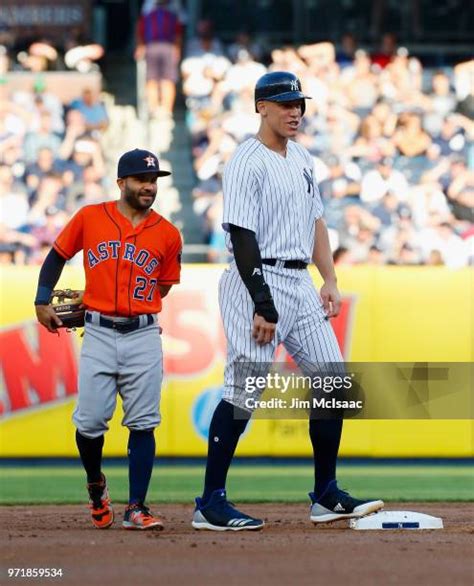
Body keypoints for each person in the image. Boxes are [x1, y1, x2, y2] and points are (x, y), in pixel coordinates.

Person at [192, 72, 384, 531]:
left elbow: (317, 221)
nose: (294, 110)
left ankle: (325, 494)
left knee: (333, 383)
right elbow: (240, 233)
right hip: (257, 279)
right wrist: (262, 301)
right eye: (283, 102)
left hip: (299, 279)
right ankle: (210, 502)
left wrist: (330, 278)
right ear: (261, 107)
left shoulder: (301, 157)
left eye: (298, 102)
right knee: (245, 391)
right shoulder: (246, 159)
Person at [34, 149, 182, 530]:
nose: (149, 186)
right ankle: (96, 484)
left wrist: (132, 303)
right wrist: (41, 299)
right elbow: (56, 256)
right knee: (89, 423)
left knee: (144, 422)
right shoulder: (90, 217)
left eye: (153, 180)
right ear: (121, 183)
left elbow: (161, 288)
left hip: (144, 334)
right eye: (140, 180)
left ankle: (137, 507)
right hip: (98, 333)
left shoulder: (168, 233)